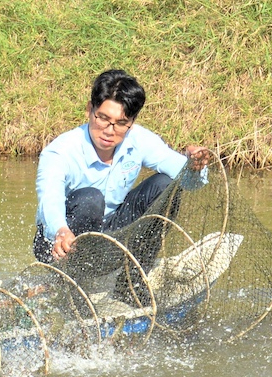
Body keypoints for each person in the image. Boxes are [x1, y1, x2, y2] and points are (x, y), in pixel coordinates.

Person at [33, 70, 213, 274]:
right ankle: (67, 279)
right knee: (91, 198)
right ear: (89, 110)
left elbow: (188, 181)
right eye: (103, 118)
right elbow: (50, 198)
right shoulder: (60, 152)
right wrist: (61, 230)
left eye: (120, 123)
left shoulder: (138, 140)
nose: (109, 131)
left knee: (165, 185)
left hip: (110, 232)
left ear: (131, 122)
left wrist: (194, 167)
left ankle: (131, 282)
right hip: (59, 239)